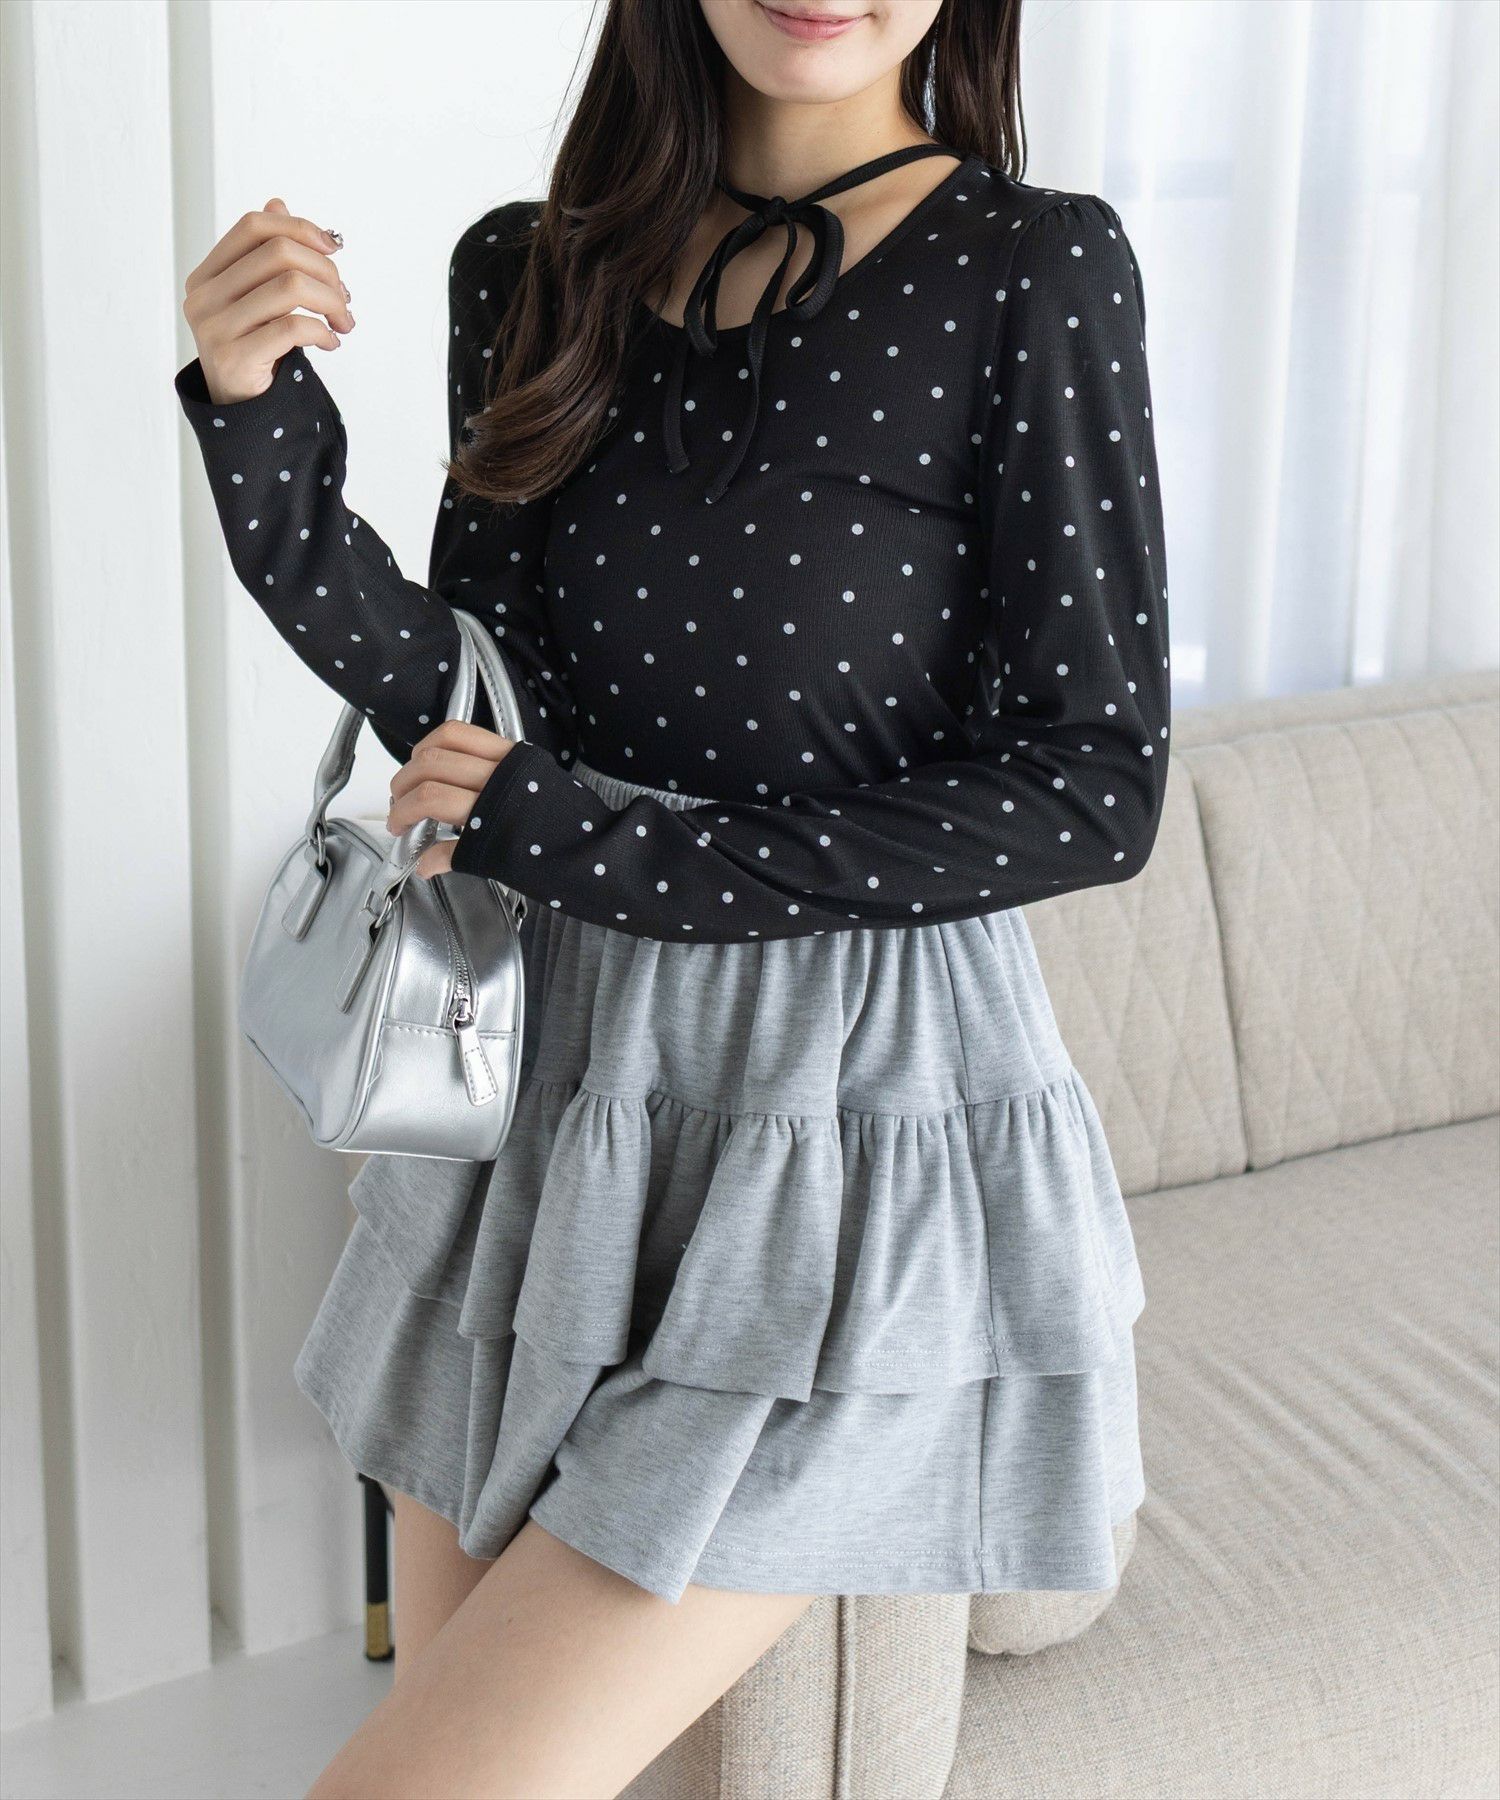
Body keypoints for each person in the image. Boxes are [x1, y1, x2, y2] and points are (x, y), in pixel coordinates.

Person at [174, 1, 1170, 1793]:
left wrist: (620, 855)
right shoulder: (532, 268)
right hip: (546, 1105)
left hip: (845, 1120)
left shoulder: (1029, 267)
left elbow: (1093, 783)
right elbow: (475, 702)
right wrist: (258, 424)